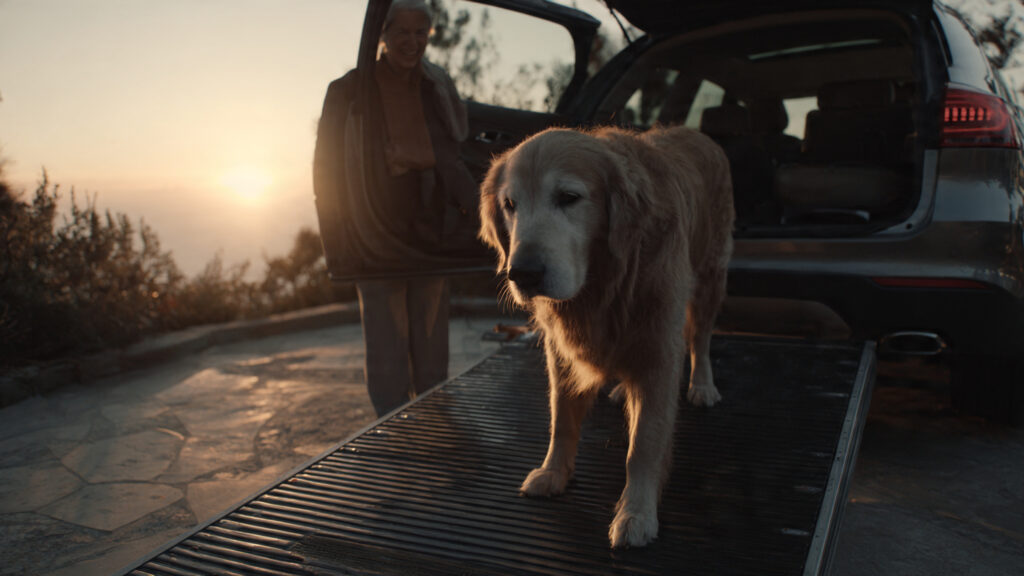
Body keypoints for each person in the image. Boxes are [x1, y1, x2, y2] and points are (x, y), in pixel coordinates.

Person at [313, 0, 472, 417]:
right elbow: (325, 171)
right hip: (373, 222)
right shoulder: (348, 91)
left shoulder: (435, 86)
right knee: (386, 341)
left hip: (429, 219)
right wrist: (337, 240)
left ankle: (434, 417)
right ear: (381, 35)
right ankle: (391, 423)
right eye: (401, 31)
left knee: (431, 333)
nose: (412, 41)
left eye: (421, 32)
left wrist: (480, 212)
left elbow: (452, 158)